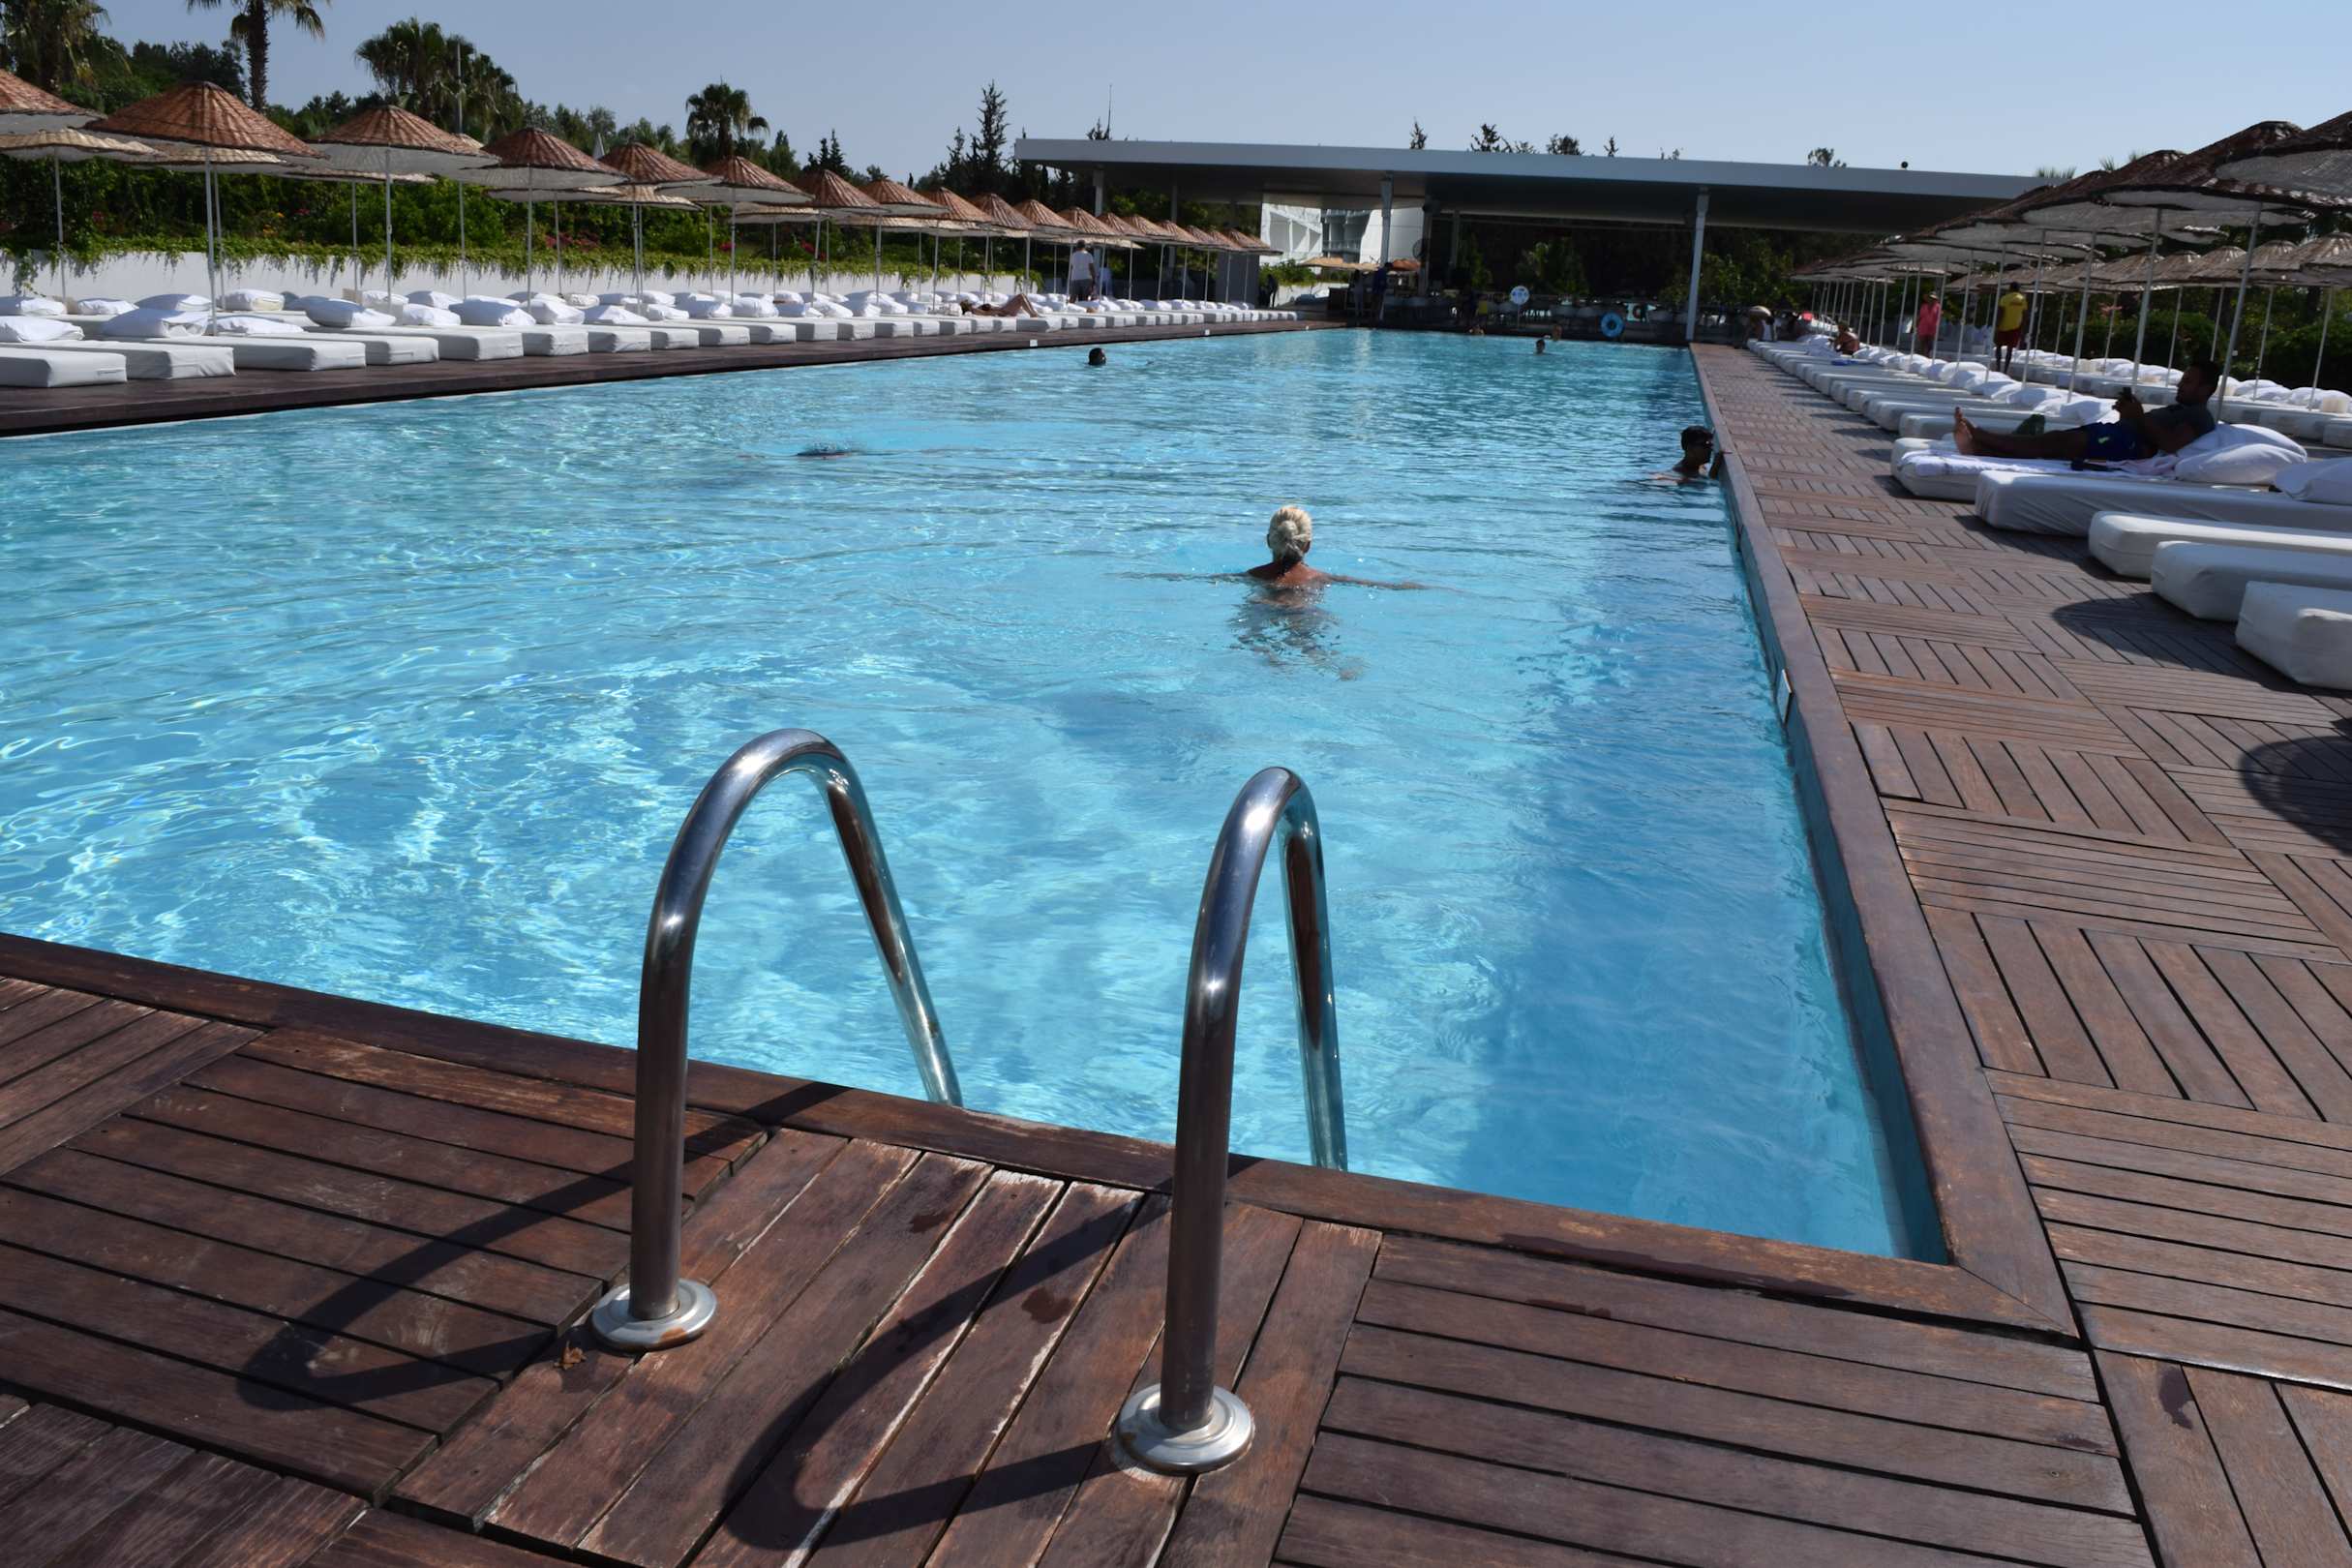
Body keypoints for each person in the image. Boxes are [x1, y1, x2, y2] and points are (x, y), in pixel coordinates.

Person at [1954, 358, 2221, 463]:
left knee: (2057, 442)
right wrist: (2128, 414)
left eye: (2188, 382)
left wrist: (2139, 417)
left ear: (2206, 389)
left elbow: (2172, 444)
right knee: (2055, 444)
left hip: (2129, 445)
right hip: (2120, 435)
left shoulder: (2199, 416)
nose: (2180, 385)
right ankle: (1980, 449)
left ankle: (1981, 436)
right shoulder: (2181, 408)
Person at [1654, 425, 1728, 481]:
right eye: (1705, 445)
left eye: (1710, 445)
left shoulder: (1698, 467)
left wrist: (1715, 466)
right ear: (1690, 448)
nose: (1710, 449)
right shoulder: (1681, 475)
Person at [1994, 284, 2028, 371]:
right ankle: (2005, 369)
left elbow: (2000, 313)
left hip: (2003, 326)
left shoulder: (2004, 298)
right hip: (2015, 327)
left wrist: (1997, 326)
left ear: (2010, 289)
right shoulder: (2022, 299)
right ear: (2018, 289)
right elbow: (2024, 315)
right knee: (2010, 349)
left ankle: (1998, 367)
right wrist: (2023, 328)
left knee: (1998, 346)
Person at [1915, 289, 1943, 356]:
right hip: (1923, 327)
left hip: (1932, 328)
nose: (1931, 299)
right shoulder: (1924, 306)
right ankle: (1921, 356)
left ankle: (1927, 356)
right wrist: (1916, 323)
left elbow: (1938, 317)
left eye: (1933, 298)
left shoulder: (1938, 307)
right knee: (1922, 343)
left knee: (1929, 344)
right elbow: (1920, 316)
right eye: (1930, 298)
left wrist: (1937, 327)